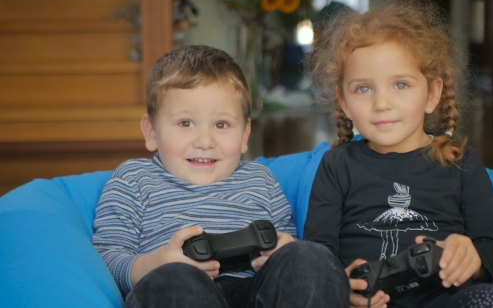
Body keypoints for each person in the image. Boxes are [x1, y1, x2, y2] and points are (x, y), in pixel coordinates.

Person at [303, 0, 493, 308]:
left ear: (432, 94)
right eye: (363, 89)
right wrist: (341, 284)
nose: (382, 103)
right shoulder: (336, 165)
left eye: (401, 85)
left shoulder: (460, 162)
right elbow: (318, 253)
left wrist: (471, 257)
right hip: (367, 302)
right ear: (344, 102)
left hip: (445, 299)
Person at [92, 45, 350, 308]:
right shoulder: (133, 179)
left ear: (245, 134)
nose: (205, 141)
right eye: (185, 123)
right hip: (180, 292)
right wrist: (153, 263)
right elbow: (106, 259)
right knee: (173, 280)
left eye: (222, 125)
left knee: (310, 257)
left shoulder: (261, 179)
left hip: (254, 292)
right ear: (151, 132)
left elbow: (289, 257)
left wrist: (282, 249)